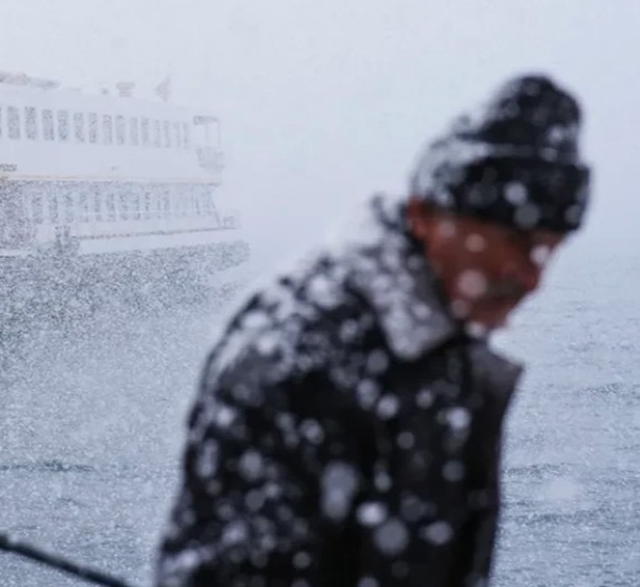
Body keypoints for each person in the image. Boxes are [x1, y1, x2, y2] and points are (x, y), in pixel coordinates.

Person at [155, 75, 591, 587]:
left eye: (549, 248)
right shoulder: (298, 359)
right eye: (513, 242)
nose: (532, 277)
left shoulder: (432, 335)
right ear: (425, 215)